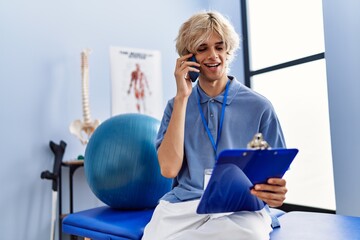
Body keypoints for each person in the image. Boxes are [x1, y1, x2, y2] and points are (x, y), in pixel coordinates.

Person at [142, 11, 287, 240]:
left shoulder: (260, 107)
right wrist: (182, 98)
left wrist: (274, 193)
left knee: (251, 236)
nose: (213, 56)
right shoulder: (175, 106)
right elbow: (168, 170)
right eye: (202, 48)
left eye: (219, 47)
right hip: (185, 205)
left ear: (228, 50)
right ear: (188, 57)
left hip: (239, 207)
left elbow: (274, 174)